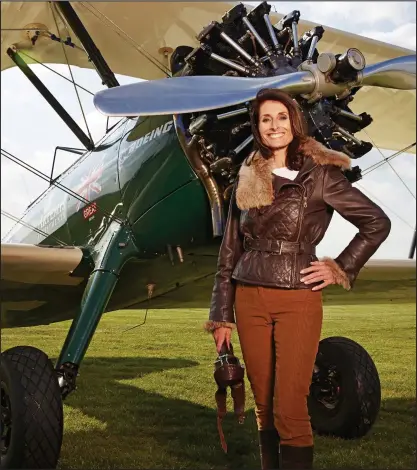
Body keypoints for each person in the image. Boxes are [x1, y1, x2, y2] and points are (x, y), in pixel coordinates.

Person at [204, 88, 391, 469]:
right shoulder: (247, 175)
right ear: (257, 127)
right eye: (265, 119)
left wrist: (340, 266)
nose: (274, 126)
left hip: (297, 299)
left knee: (289, 409)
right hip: (248, 297)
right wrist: (221, 315)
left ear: (294, 122)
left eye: (281, 117)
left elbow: (376, 222)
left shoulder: (321, 175)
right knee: (264, 405)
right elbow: (230, 252)